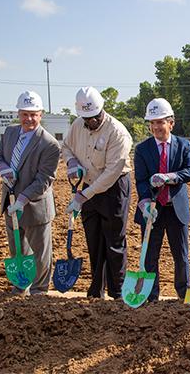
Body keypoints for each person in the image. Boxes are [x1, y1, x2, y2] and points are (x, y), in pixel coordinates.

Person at [61, 86, 133, 299]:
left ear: (102, 109)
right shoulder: (77, 126)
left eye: (94, 116)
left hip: (113, 189)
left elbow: (111, 173)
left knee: (114, 241)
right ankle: (96, 290)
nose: (91, 122)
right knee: (94, 239)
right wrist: (72, 162)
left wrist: (83, 196)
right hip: (88, 187)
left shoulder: (117, 132)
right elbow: (66, 147)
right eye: (86, 118)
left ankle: (118, 291)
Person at [0, 90, 61, 295]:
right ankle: (21, 285)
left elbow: (44, 179)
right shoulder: (10, 133)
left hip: (35, 204)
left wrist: (22, 200)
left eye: (33, 114)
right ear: (18, 113)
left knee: (40, 252)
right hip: (9, 201)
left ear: (41, 115)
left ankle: (40, 289)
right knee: (17, 249)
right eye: (25, 114)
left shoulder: (49, 144)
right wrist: (2, 168)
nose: (29, 118)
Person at [133, 98, 190, 302]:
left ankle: (184, 295)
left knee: (181, 255)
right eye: (152, 123)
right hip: (153, 208)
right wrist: (144, 203)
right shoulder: (142, 149)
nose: (156, 127)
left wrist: (170, 177)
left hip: (176, 207)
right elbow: (141, 180)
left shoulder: (183, 145)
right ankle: (151, 296)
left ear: (171, 123)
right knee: (150, 255)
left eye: (160, 122)